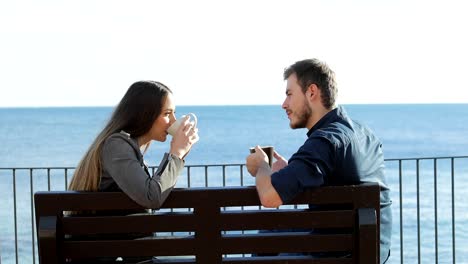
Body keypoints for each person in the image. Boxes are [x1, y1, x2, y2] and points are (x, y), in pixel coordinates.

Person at [246, 58, 392, 263]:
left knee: (269, 235)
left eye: (289, 94)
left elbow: (269, 197)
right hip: (371, 254)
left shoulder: (324, 141)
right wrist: (291, 171)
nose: (284, 104)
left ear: (311, 92)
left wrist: (261, 166)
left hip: (333, 256)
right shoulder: (365, 134)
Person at [69, 80, 199, 209]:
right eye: (167, 114)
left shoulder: (124, 147)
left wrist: (179, 155)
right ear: (145, 114)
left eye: (173, 113)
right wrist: (176, 154)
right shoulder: (117, 146)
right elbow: (151, 197)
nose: (173, 121)